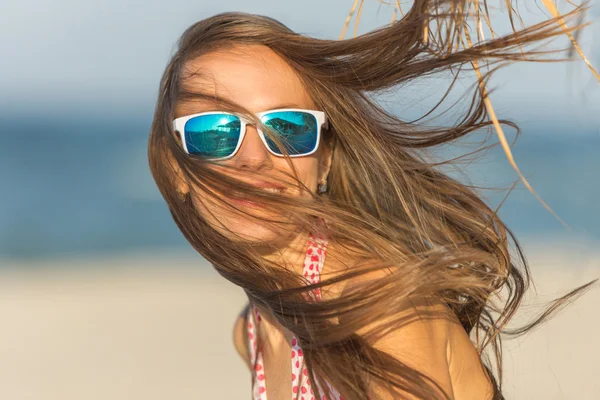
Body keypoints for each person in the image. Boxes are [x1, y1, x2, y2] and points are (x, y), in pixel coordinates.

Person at [148, 3, 595, 399]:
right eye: (214, 132)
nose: (253, 158)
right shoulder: (255, 329)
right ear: (174, 168)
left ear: (323, 165)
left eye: (288, 128)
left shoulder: (381, 310)